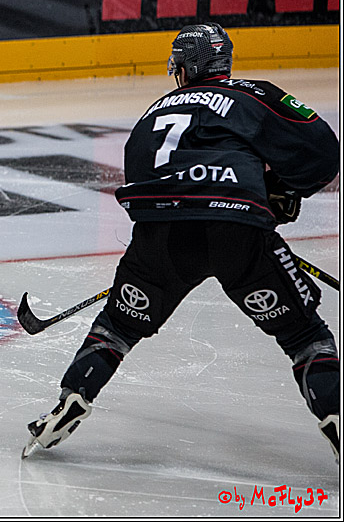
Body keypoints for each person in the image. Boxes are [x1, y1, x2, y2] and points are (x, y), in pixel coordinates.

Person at [23, 23, 340, 463]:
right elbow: (324, 152)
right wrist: (280, 191)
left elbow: (139, 172)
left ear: (187, 64)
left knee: (118, 326)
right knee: (304, 334)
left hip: (161, 237)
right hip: (236, 231)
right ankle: (336, 414)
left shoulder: (155, 110)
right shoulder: (254, 95)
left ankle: (72, 397)